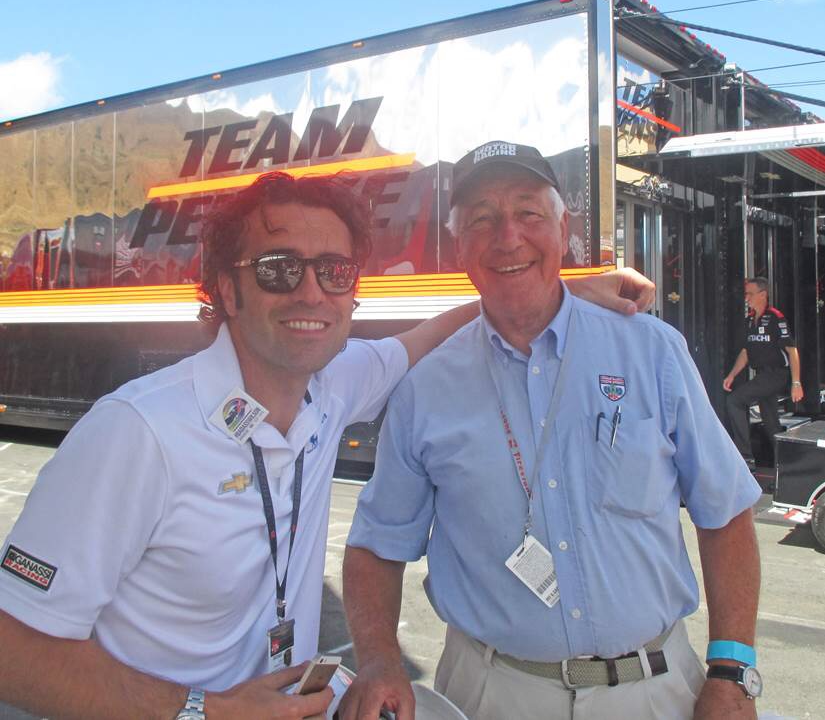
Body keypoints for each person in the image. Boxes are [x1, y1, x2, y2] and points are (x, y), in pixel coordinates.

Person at [0, 170, 652, 719]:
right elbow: (12, 649)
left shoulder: (331, 385)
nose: (310, 292)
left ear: (351, 291)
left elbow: (430, 334)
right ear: (227, 289)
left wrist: (559, 293)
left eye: (333, 271)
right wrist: (203, 709)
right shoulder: (137, 434)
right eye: (279, 269)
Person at [342, 141, 763, 720]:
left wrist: (732, 673)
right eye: (482, 219)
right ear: (459, 245)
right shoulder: (426, 387)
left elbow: (728, 512)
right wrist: (380, 661)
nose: (507, 236)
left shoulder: (651, 352)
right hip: (491, 693)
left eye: (528, 213)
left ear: (563, 229)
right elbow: (376, 545)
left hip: (656, 690)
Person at [723, 277, 803, 467]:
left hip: (776, 374)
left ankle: (745, 456)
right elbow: (745, 352)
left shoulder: (775, 317)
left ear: (763, 295)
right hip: (762, 375)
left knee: (734, 400)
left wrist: (796, 383)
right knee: (770, 421)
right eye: (745, 294)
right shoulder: (750, 320)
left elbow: (792, 351)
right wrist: (732, 375)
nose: (747, 298)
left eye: (750, 293)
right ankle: (786, 464)